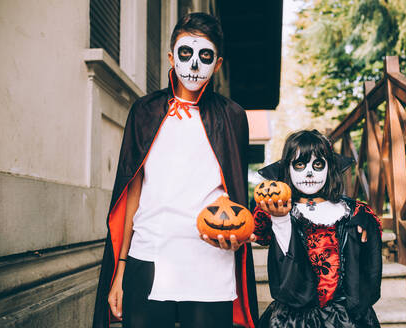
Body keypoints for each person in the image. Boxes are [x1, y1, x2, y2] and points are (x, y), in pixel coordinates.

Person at [92, 13, 258, 328]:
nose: (194, 65)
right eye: (186, 53)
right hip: (149, 259)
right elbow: (132, 192)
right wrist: (120, 271)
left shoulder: (233, 117)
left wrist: (237, 237)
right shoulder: (145, 111)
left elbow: (235, 191)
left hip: (210, 265)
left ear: (218, 64)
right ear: (172, 57)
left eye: (205, 56)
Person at [253, 129, 382, 327]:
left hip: (345, 316)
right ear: (288, 168)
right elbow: (258, 235)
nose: (310, 172)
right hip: (293, 316)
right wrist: (279, 218)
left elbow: (370, 260)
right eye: (300, 165)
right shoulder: (274, 209)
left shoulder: (353, 211)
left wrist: (368, 225)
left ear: (329, 168)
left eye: (318, 164)